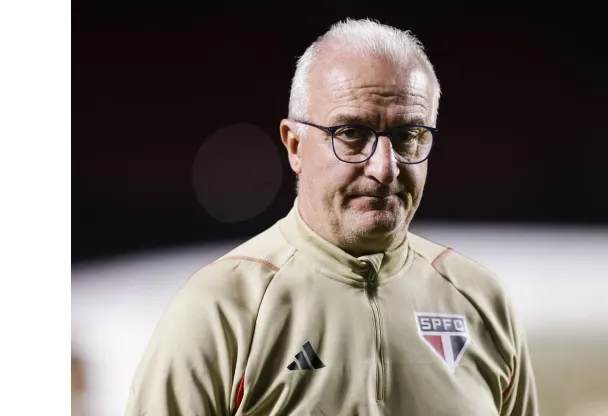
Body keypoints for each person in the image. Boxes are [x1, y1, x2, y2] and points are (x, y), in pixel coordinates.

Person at [125, 18, 538, 416]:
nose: (385, 168)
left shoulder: (482, 302)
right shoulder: (222, 308)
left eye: (408, 136)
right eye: (352, 134)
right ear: (294, 145)